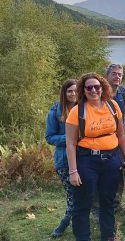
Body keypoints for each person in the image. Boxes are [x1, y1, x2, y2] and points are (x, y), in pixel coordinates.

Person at [65, 73, 125, 241]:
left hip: (112, 160)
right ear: (83, 90)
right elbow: (71, 144)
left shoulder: (113, 106)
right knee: (83, 203)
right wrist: (73, 171)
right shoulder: (77, 111)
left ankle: (108, 235)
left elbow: (121, 135)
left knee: (108, 200)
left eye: (97, 87)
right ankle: (83, 237)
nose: (93, 90)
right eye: (89, 87)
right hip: (87, 161)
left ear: (103, 88)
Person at [91, 64, 125, 219]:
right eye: (114, 74)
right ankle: (96, 209)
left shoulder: (123, 91)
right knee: (98, 174)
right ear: (107, 75)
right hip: (100, 141)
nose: (117, 76)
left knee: (118, 171)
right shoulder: (98, 92)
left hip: (118, 139)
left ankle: (116, 204)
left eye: (120, 74)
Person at [45, 79, 77, 238]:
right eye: (70, 91)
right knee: (73, 195)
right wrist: (70, 138)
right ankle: (64, 224)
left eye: (76, 90)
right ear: (64, 93)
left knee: (86, 194)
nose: (73, 94)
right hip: (64, 161)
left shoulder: (85, 109)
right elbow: (50, 137)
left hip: (84, 159)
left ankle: (81, 223)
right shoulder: (55, 111)